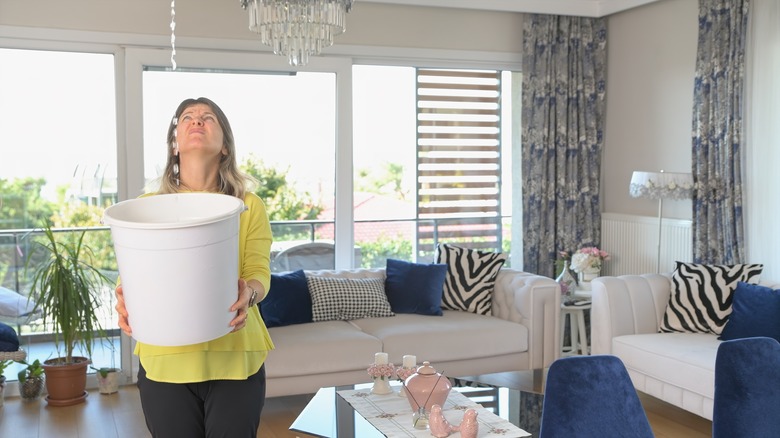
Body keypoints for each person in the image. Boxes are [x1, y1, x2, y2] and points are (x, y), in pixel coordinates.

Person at [114, 97, 273, 437]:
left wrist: (251, 293)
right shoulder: (147, 208)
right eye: (187, 117)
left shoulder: (248, 206)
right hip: (166, 361)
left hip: (235, 355)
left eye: (208, 118)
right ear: (175, 144)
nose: (197, 121)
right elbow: (131, 276)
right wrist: (124, 297)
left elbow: (259, 271)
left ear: (226, 146)